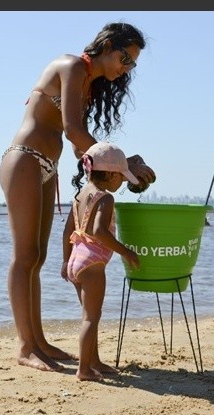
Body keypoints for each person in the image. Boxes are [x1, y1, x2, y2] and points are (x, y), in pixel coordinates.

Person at [0, 21, 156, 372]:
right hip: (23, 159)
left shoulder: (88, 84)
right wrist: (122, 160)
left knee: (36, 257)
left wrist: (118, 169)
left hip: (45, 167)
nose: (126, 69)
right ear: (108, 45)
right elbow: (72, 130)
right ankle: (25, 347)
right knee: (24, 256)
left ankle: (38, 342)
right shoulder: (71, 66)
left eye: (132, 65)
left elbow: (76, 147)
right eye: (125, 59)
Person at [61, 142, 141, 381]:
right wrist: (126, 252)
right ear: (109, 175)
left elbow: (67, 231)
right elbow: (98, 231)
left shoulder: (79, 195)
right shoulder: (105, 199)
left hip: (77, 259)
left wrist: (66, 262)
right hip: (92, 265)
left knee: (89, 314)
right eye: (121, 177)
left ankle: (94, 361)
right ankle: (84, 369)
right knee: (91, 318)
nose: (121, 183)